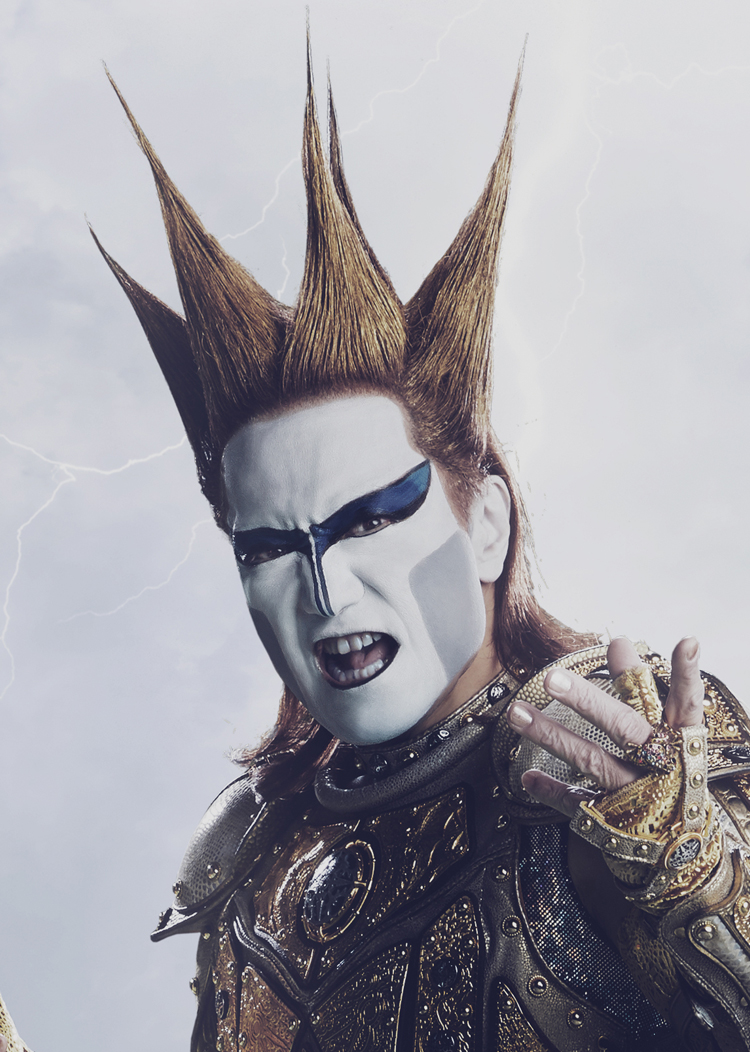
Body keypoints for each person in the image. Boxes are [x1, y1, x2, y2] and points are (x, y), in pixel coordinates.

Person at [3, 43, 750, 1052]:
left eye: (369, 519)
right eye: (270, 548)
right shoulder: (254, 855)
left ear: (486, 522)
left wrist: (700, 878)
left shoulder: (617, 757)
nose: (324, 586)